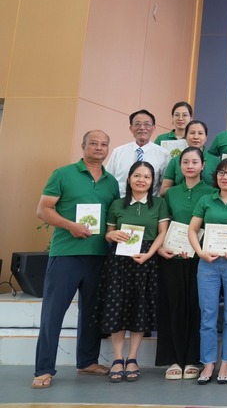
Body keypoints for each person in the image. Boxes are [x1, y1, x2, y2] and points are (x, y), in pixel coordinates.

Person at [32, 130, 120, 390]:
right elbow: (43, 209)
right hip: (66, 254)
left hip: (99, 255)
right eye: (93, 143)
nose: (99, 148)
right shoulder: (63, 174)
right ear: (83, 146)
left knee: (92, 312)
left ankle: (87, 361)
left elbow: (113, 218)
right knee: (53, 312)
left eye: (104, 144)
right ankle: (44, 369)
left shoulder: (111, 182)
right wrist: (70, 225)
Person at [97, 162, 170, 383]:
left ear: (152, 181)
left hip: (146, 260)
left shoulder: (159, 204)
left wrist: (149, 255)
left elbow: (162, 232)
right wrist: (111, 235)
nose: (141, 180)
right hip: (119, 261)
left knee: (140, 307)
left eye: (147, 177)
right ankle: (117, 358)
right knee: (116, 307)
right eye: (137, 175)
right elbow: (108, 233)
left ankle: (132, 358)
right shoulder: (117, 204)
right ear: (129, 179)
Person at [155, 147, 215, 381]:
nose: (190, 166)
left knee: (196, 307)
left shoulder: (211, 192)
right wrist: (160, 248)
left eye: (195, 162)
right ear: (180, 166)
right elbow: (163, 225)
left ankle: (192, 359)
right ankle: (173, 359)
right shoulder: (170, 194)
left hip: (201, 258)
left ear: (203, 165)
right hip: (173, 257)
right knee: (173, 305)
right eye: (185, 162)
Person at [188, 158, 227, 385]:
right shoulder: (206, 199)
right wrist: (200, 252)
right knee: (208, 315)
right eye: (222, 172)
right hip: (208, 264)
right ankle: (208, 362)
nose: (226, 177)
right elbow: (193, 230)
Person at [106, 109, 168, 195]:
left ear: (153, 128)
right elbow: (108, 179)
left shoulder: (164, 155)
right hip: (121, 201)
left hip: (150, 201)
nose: (142, 128)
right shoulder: (118, 152)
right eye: (137, 124)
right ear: (131, 128)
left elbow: (165, 185)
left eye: (147, 124)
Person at [160, 120, 219, 195]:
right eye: (192, 133)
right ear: (185, 136)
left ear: (206, 137)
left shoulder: (215, 161)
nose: (196, 137)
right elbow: (163, 190)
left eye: (200, 133)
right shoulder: (175, 160)